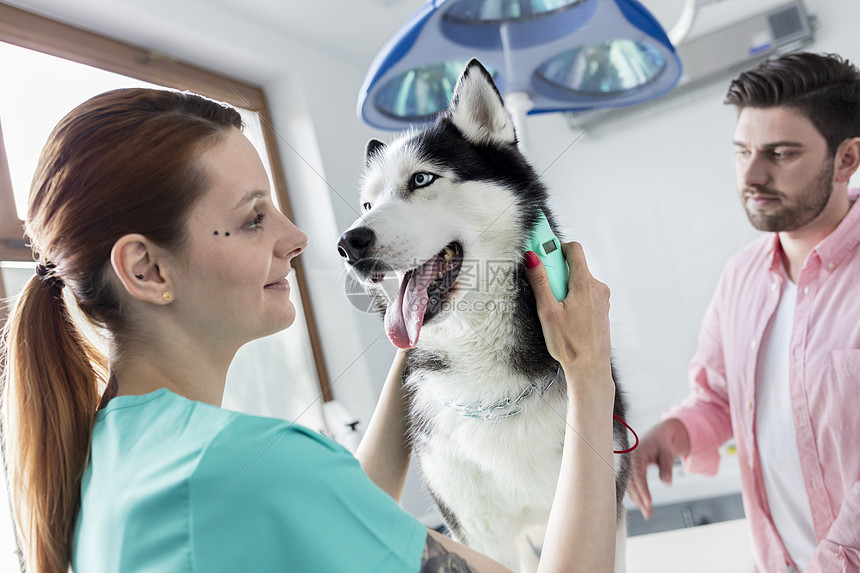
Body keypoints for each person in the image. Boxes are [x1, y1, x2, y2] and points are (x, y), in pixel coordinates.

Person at [0, 88, 619, 573]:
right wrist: (588, 370)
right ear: (146, 268)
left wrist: (422, 309)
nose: (297, 238)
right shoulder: (257, 463)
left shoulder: (104, 450)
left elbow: (343, 503)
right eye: (252, 219)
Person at [627, 52, 860, 572]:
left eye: (780, 153)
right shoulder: (741, 278)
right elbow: (718, 398)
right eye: (742, 152)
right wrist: (671, 434)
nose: (752, 174)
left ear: (847, 159)